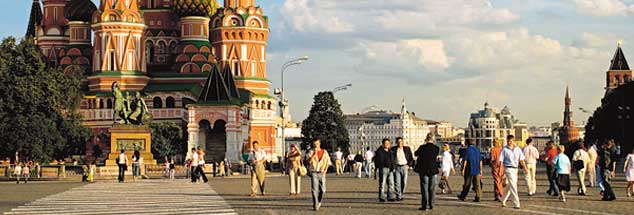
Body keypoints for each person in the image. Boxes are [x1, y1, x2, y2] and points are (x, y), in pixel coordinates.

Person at [499, 135, 527, 209]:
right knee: (513, 186)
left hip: (515, 168)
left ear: (514, 141)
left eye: (510, 141)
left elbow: (521, 160)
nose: (509, 142)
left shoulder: (518, 149)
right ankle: (516, 203)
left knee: (510, 186)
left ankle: (503, 199)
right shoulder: (504, 149)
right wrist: (500, 170)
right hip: (508, 168)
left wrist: (525, 168)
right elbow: (501, 161)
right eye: (508, 141)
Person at [415, 133, 440, 211]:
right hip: (433, 170)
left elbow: (416, 153)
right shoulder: (436, 148)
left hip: (423, 170)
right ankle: (432, 204)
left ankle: (424, 205)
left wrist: (423, 143)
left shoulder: (422, 147)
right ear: (433, 139)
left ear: (426, 138)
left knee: (424, 188)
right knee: (432, 188)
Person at [308, 138, 332, 211]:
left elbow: (328, 162)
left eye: (317, 144)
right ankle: (315, 205)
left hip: (322, 172)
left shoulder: (324, 152)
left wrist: (325, 169)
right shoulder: (311, 152)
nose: (316, 145)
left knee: (323, 189)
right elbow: (309, 161)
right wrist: (314, 154)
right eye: (314, 144)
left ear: (319, 144)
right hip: (314, 172)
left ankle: (319, 201)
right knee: (314, 189)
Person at [392, 137, 414, 201]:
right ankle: (398, 196)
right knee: (397, 182)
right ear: (396, 142)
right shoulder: (393, 149)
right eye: (398, 142)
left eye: (401, 142)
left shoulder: (407, 149)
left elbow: (410, 157)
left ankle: (401, 192)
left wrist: (409, 165)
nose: (399, 143)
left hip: (404, 166)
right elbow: (391, 158)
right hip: (397, 167)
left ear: (403, 142)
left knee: (404, 182)